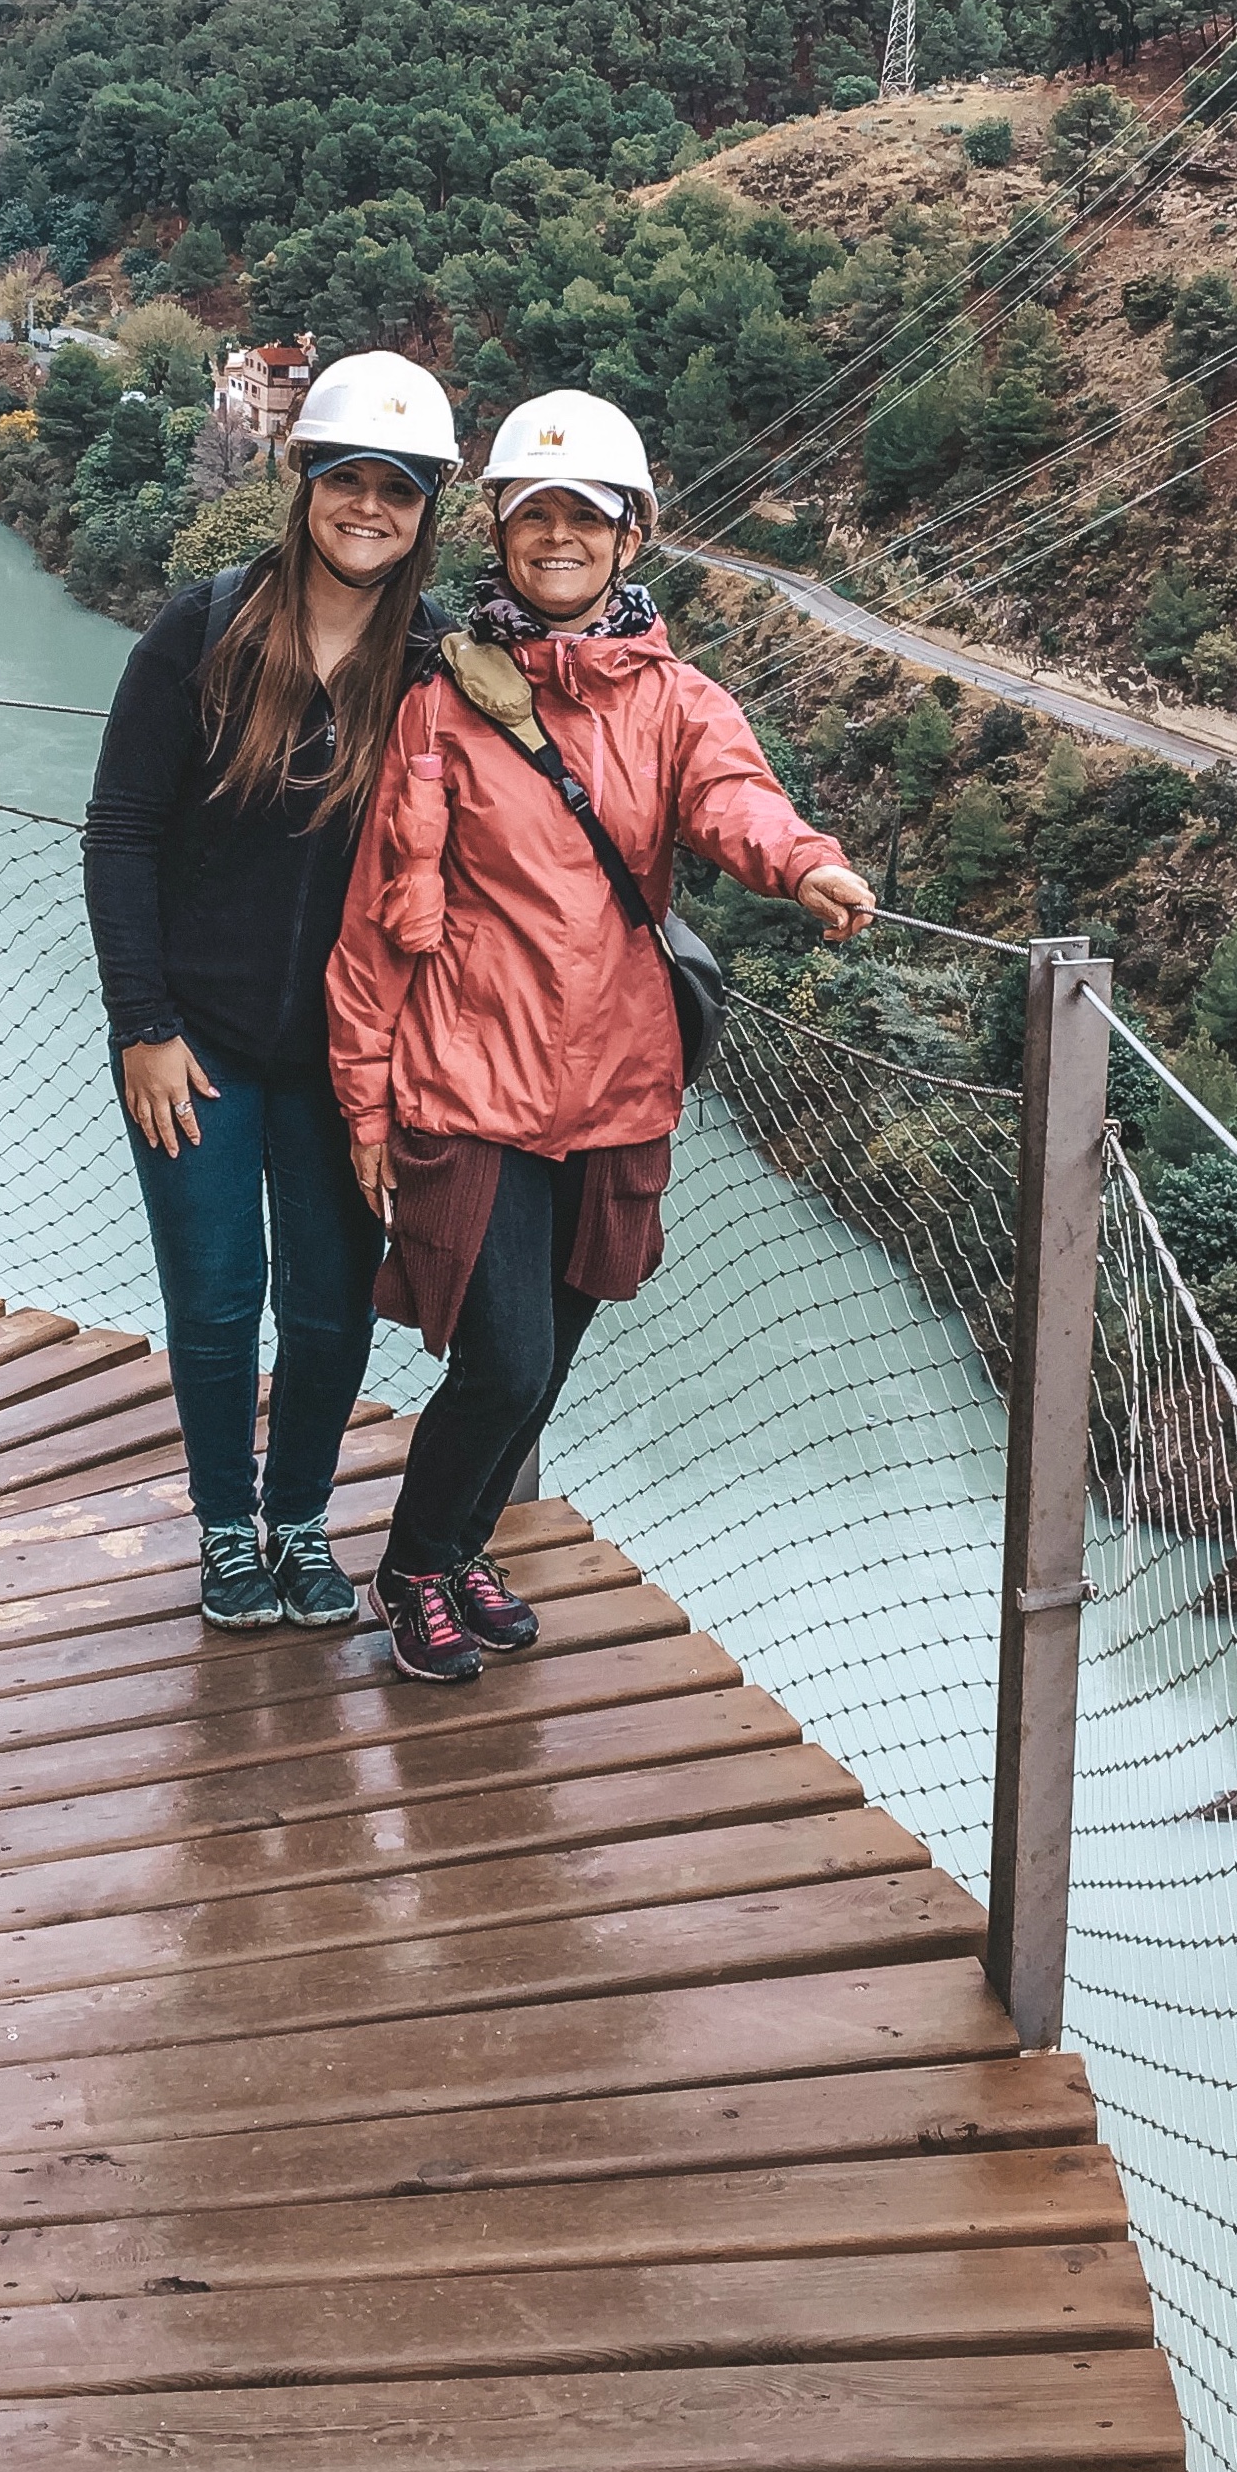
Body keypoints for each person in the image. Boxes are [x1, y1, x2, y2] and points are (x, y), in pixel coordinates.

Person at [327, 385, 875, 1683]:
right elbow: (378, 922)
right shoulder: (443, 709)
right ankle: (413, 1568)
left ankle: (461, 1552)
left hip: (617, 1090)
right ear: (502, 533)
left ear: (629, 539)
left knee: (548, 1361)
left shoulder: (677, 702)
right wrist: (363, 1101)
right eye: (535, 516)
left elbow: (733, 800)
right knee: (504, 1356)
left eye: (586, 515)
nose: (558, 537)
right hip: (472, 1085)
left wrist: (802, 863)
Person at [82, 350, 460, 1633]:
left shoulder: (440, 664)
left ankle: (301, 1516)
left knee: (328, 1302)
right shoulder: (205, 627)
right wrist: (142, 1023)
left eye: (397, 492)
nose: (369, 509)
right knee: (215, 1299)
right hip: (196, 1044)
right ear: (303, 484)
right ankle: (226, 1528)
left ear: (425, 513)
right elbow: (122, 829)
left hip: (352, 1060)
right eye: (346, 480)